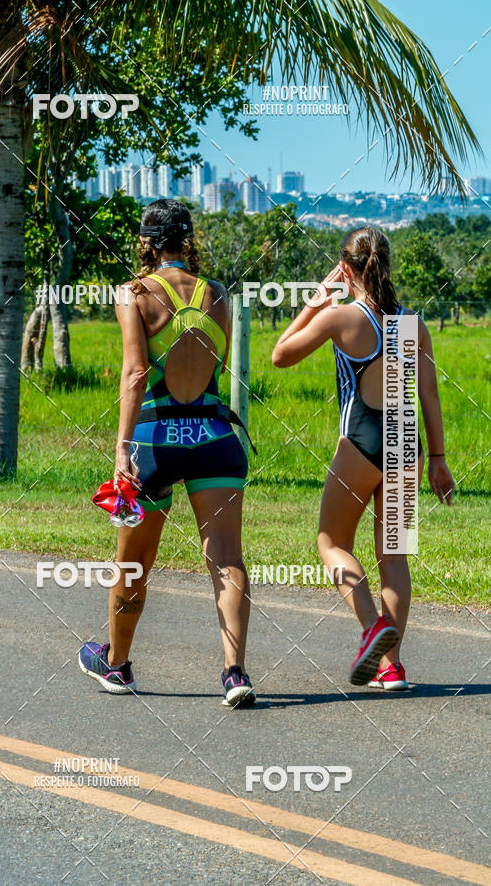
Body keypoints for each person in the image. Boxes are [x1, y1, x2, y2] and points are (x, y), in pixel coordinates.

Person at [79, 199, 256, 707]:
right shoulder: (218, 295)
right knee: (225, 557)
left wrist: (121, 448)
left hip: (156, 440)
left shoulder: (134, 294)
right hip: (215, 439)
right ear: (187, 240)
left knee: (134, 561)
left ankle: (116, 665)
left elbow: (136, 374)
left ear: (148, 243)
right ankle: (235, 672)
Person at [272, 226, 454, 690]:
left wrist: (316, 300)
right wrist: (438, 458)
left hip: (361, 440)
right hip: (406, 442)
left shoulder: (340, 318)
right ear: (386, 265)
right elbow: (429, 395)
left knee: (331, 544)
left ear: (346, 268)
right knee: (394, 558)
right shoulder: (413, 323)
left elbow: (280, 355)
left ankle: (372, 626)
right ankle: (392, 666)